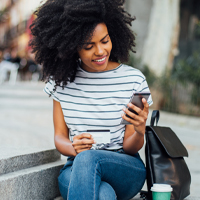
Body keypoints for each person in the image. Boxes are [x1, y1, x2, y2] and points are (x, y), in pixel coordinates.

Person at [30, 0, 153, 199]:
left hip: (124, 167)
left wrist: (139, 131)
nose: (100, 52)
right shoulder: (61, 82)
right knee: (103, 194)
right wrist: (73, 147)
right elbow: (60, 136)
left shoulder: (134, 80)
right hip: (76, 168)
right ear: (72, 47)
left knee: (88, 159)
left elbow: (131, 146)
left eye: (105, 41)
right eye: (89, 46)